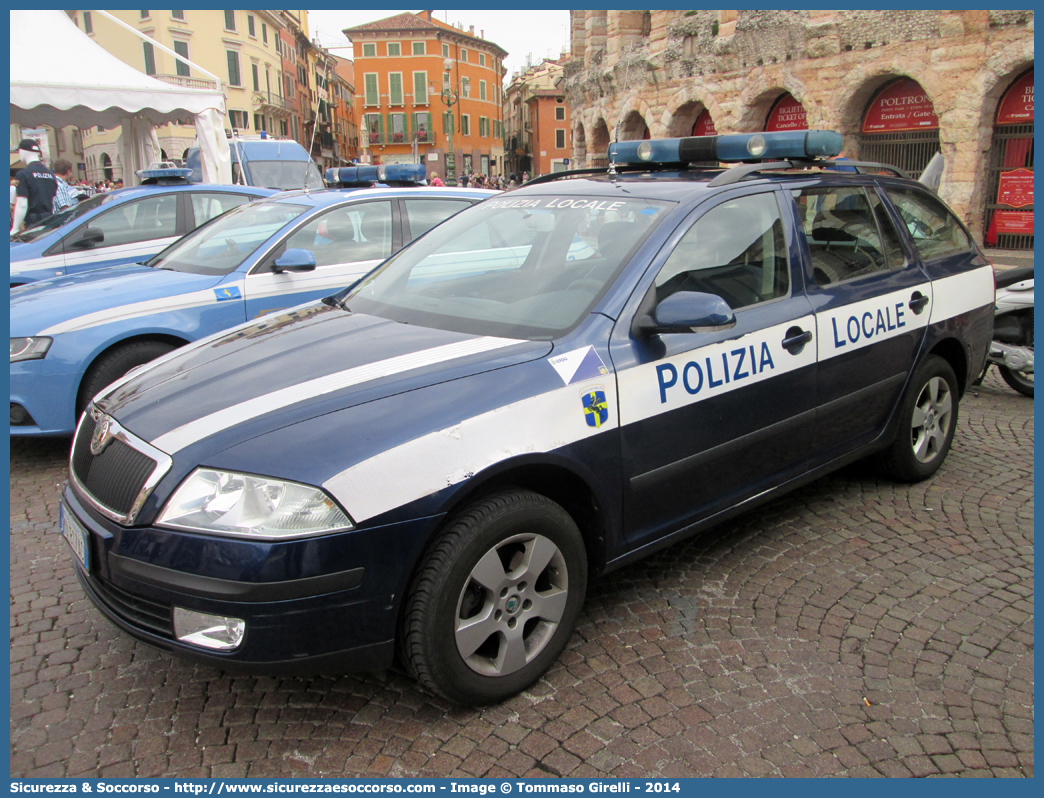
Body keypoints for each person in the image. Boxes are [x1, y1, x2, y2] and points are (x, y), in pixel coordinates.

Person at [11, 139, 57, 234]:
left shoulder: (23, 174)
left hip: (33, 223)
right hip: (49, 221)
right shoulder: (50, 174)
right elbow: (52, 199)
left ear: (22, 151)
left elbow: (22, 204)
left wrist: (15, 228)